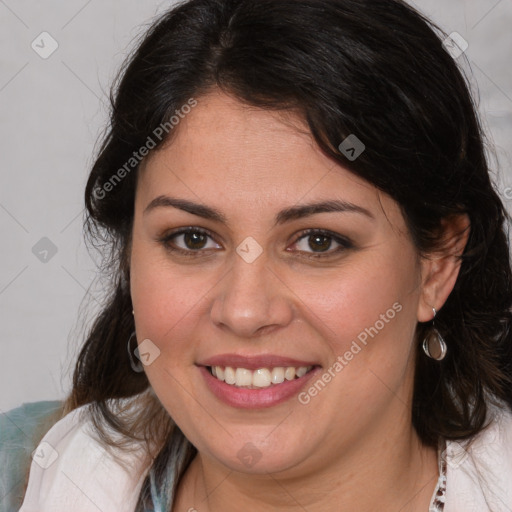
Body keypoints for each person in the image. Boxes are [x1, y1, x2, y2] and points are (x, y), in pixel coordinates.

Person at [15, 0, 512, 510]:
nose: (245, 311)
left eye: (319, 241)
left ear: (436, 264)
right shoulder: (40, 468)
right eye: (192, 238)